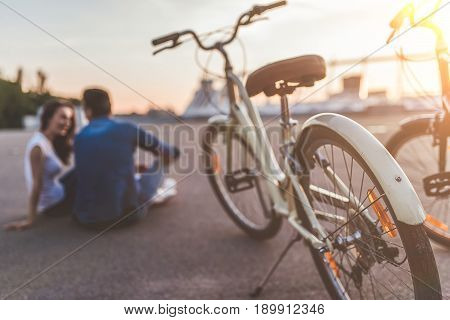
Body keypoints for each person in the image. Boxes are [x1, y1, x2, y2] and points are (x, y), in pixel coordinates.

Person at [73, 88, 180, 227]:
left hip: (86, 218)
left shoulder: (79, 137)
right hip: (125, 215)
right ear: (110, 108)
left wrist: (133, 167)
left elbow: (99, 165)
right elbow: (165, 150)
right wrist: (175, 153)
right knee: (164, 158)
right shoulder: (126, 128)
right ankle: (151, 195)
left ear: (87, 110)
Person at [4, 99, 76, 231]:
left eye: (70, 119)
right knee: (84, 174)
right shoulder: (39, 147)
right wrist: (30, 219)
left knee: (80, 171)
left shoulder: (48, 140)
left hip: (58, 190)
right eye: (63, 117)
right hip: (53, 206)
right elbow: (36, 184)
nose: (67, 123)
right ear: (49, 117)